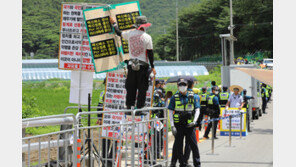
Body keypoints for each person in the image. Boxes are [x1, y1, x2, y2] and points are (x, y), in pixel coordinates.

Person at [110, 16, 156, 111]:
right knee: (142, 87)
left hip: (131, 64)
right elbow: (150, 53)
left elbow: (118, 33)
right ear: (144, 26)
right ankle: (140, 107)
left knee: (131, 86)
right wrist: (153, 67)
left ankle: (129, 105)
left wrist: (114, 23)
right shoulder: (147, 37)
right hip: (142, 65)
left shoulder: (130, 34)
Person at [168, 78, 201, 167]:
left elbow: (197, 109)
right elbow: (170, 111)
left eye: (184, 85)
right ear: (178, 86)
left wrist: (194, 121)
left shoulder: (194, 96)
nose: (182, 87)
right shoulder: (174, 97)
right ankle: (182, 163)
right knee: (179, 145)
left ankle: (197, 164)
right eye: (180, 85)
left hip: (190, 125)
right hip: (178, 125)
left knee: (194, 146)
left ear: (187, 86)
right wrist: (172, 126)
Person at [151, 89, 165, 159]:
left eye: (159, 93)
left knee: (159, 139)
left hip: (158, 124)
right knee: (152, 139)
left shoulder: (161, 102)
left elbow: (163, 114)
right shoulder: (149, 102)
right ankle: (151, 155)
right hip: (150, 123)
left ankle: (157, 153)